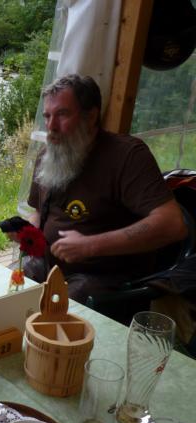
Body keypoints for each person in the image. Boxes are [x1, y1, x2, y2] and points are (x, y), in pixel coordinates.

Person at [22, 74, 187, 303]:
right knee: (8, 286)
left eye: (62, 114)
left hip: (103, 279)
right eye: (47, 116)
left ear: (91, 116)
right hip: (49, 266)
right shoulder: (48, 155)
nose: (51, 127)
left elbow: (172, 224)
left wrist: (90, 246)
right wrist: (27, 232)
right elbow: (39, 212)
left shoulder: (127, 156)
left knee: (59, 310)